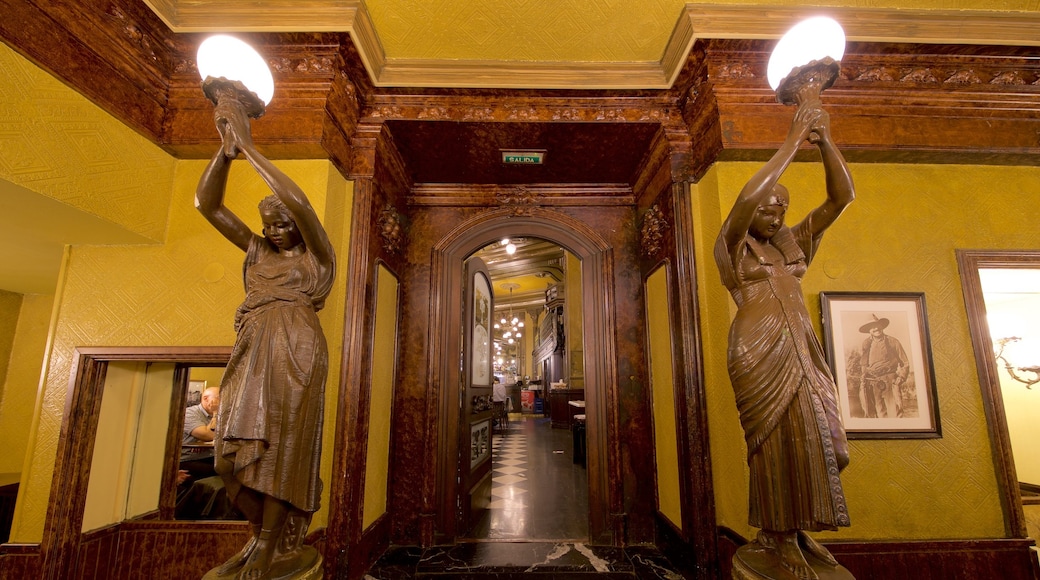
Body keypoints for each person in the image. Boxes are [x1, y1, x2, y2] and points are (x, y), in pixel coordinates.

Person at [195, 93, 335, 579]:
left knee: (283, 452)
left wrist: (251, 148)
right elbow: (206, 205)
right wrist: (226, 148)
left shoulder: (317, 258)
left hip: (297, 350)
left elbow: (298, 201)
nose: (274, 231)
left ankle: (269, 544)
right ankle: (259, 537)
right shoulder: (257, 252)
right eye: (268, 225)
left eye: (282, 225)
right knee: (230, 463)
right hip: (252, 350)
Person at [714, 97, 854, 580]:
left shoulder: (792, 247)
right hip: (757, 348)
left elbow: (842, 199)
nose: (775, 216)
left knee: (824, 441)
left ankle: (796, 531)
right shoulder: (733, 247)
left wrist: (826, 141)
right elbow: (745, 200)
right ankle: (775, 537)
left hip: (802, 347)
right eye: (769, 210)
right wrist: (792, 140)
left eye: (782, 210)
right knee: (773, 444)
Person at [858, 314, 909, 418]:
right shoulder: (866, 344)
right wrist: (864, 375)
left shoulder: (892, 341)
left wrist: (901, 378)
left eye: (878, 325)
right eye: (872, 326)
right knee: (878, 412)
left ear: (882, 326)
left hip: (890, 381)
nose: (876, 328)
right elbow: (864, 364)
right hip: (872, 382)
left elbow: (905, 363)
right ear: (868, 330)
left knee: (895, 413)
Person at [181, 386, 220, 480]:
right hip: (189, 459)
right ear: (206, 399)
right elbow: (209, 435)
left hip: (210, 456)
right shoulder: (190, 413)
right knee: (220, 471)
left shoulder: (223, 415)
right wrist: (215, 413)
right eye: (219, 398)